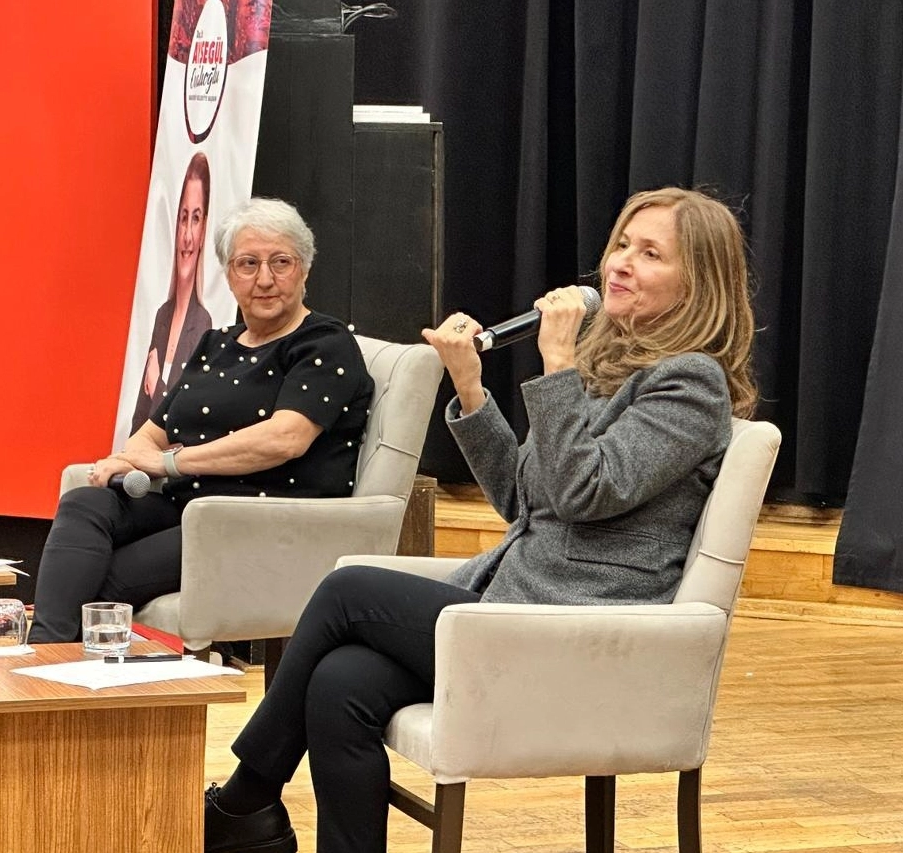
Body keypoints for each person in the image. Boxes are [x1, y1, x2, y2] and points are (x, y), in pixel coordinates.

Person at [203, 187, 759, 853]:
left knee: (348, 589)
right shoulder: (611, 370)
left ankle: (245, 800)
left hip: (581, 636)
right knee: (340, 683)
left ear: (697, 283)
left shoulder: (690, 384)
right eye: (621, 245)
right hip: (517, 612)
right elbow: (524, 501)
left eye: (649, 254)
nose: (620, 263)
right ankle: (258, 822)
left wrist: (558, 366)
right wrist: (470, 386)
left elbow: (586, 491)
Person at [28, 198, 375, 644]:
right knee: (84, 503)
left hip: (255, 520)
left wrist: (168, 464)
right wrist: (129, 459)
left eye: (281, 262)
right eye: (248, 264)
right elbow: (152, 433)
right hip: (188, 507)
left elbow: (284, 439)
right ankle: (43, 655)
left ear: (304, 270)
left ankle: (45, 661)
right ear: (228, 275)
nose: (264, 279)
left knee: (100, 580)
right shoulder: (217, 343)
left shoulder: (325, 344)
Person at [130, 151, 216, 434]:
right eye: (183, 218)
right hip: (142, 456)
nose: (187, 236)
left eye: (196, 219)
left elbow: (185, 421)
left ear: (204, 231)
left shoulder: (203, 325)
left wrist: (157, 384)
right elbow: (139, 417)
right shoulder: (162, 316)